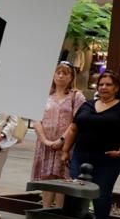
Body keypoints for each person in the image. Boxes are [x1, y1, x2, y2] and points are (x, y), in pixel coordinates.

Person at [62, 72, 120, 219]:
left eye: (108, 84)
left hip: (108, 158)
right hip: (81, 155)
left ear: (117, 87)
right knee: (77, 191)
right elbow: (74, 129)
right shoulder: (87, 105)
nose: (104, 87)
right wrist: (65, 150)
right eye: (101, 84)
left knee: (102, 193)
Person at [31, 62, 86, 209]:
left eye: (65, 73)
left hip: (66, 144)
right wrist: (45, 140)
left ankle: (59, 211)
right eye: (58, 72)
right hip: (45, 144)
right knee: (47, 177)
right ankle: (45, 209)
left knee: (62, 178)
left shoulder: (76, 96)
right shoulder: (44, 95)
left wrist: (62, 140)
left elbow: (77, 121)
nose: (61, 76)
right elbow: (36, 119)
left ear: (71, 77)